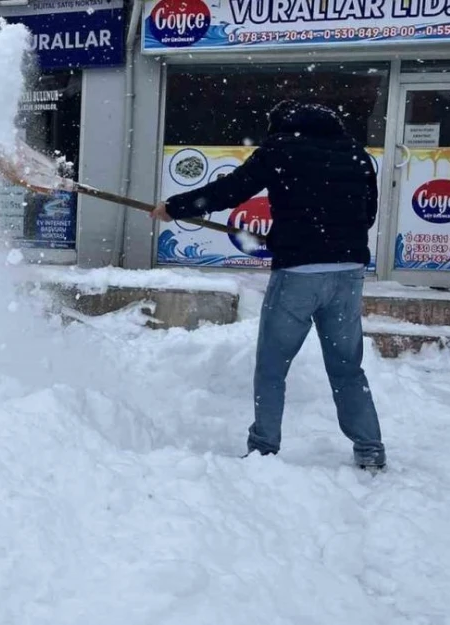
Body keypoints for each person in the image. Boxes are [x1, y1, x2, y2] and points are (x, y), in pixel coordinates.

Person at [151, 100, 386, 470]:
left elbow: (229, 191)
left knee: (273, 365)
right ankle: (370, 447)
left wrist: (174, 207)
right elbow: (367, 214)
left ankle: (263, 448)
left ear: (280, 126)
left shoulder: (280, 149)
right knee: (346, 366)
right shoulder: (355, 154)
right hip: (348, 273)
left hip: (299, 275)